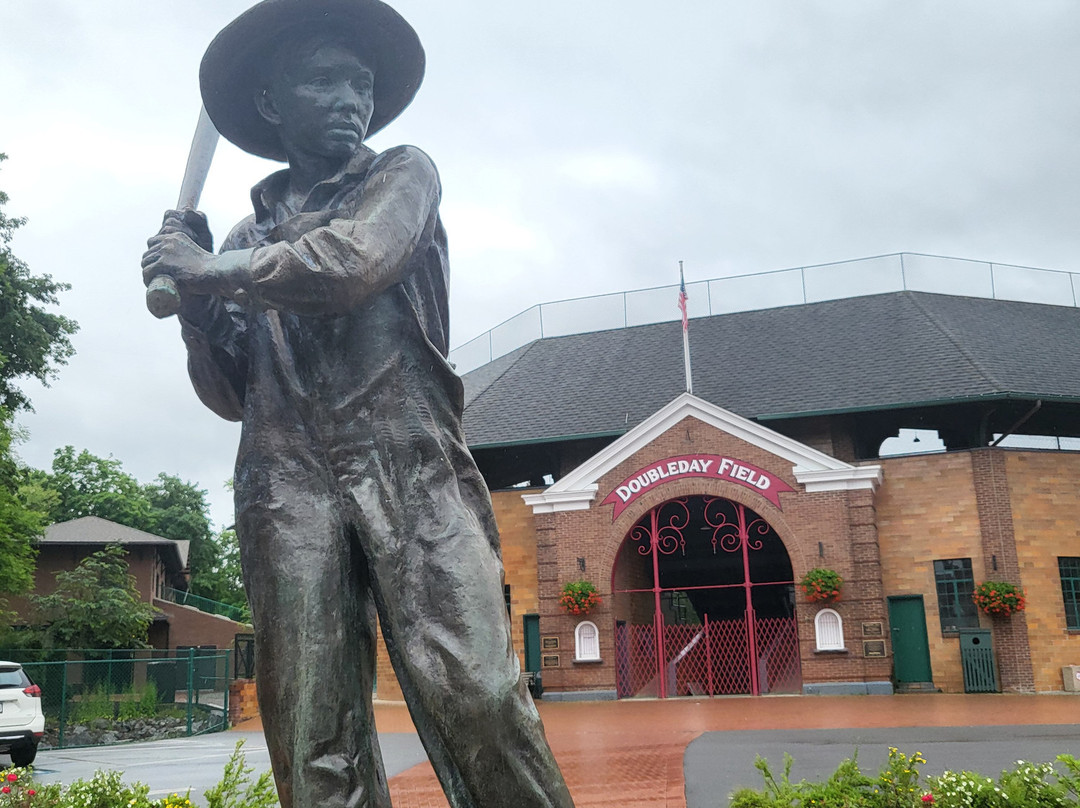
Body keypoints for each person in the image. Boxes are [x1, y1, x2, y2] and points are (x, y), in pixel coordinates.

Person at [140, 2, 576, 807]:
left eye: (361, 84)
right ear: (273, 103)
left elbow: (351, 265)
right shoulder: (241, 238)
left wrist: (210, 271)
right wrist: (199, 314)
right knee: (313, 730)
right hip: (286, 483)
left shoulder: (401, 175)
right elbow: (231, 395)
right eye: (325, 81)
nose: (352, 99)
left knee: (477, 695)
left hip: (409, 463)